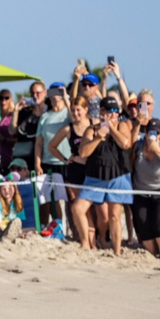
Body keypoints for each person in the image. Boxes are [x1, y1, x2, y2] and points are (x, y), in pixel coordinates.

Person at [72, 96, 133, 255]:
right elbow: (83, 152)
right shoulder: (91, 129)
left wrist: (111, 128)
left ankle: (117, 251)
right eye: (108, 111)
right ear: (101, 111)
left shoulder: (122, 125)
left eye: (114, 111)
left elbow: (126, 143)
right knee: (78, 209)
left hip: (117, 175)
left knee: (114, 216)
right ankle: (85, 243)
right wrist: (99, 136)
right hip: (95, 175)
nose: (111, 115)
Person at [129, 119, 160, 260]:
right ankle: (152, 254)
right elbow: (131, 165)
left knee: (159, 222)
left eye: (156, 133)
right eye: (150, 132)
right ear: (146, 133)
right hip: (141, 190)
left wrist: (156, 149)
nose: (153, 135)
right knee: (143, 224)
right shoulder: (138, 146)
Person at [48, 96, 91, 239]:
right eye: (72, 110)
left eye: (78, 110)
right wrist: (65, 159)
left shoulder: (94, 124)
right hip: (75, 169)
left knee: (94, 207)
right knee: (75, 203)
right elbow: (51, 146)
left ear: (86, 110)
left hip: (93, 169)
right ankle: (77, 234)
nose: (75, 113)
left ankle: (96, 237)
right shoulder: (68, 129)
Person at [35, 83, 71, 224]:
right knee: (48, 200)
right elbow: (39, 142)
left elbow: (75, 120)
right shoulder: (45, 116)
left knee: (70, 198)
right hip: (47, 162)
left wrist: (66, 97)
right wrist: (37, 164)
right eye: (53, 90)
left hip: (65, 162)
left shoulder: (68, 113)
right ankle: (52, 228)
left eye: (59, 90)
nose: (56, 94)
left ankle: (71, 229)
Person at [9, 81, 47, 169]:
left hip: (43, 157)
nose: (35, 95)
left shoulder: (49, 110)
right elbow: (12, 131)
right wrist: (16, 111)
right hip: (24, 158)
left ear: (45, 93)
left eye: (38, 93)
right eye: (32, 93)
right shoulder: (24, 111)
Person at [0, 173, 25, 242]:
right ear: (0, 190)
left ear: (14, 188)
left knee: (33, 229)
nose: (7, 191)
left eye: (9, 188)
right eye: (3, 189)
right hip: (0, 230)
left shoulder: (17, 202)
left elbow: (20, 221)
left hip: (14, 230)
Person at [0, 89, 16, 173]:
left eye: (6, 98)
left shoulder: (13, 116)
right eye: (1, 98)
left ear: (11, 100)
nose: (3, 101)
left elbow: (19, 139)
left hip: (10, 157)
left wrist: (4, 139)